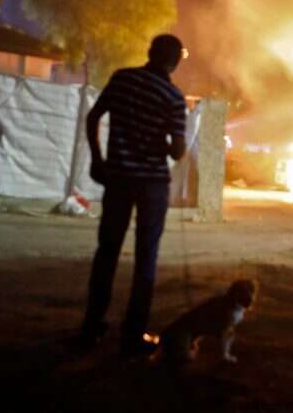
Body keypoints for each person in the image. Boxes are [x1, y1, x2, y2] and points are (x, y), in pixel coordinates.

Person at [77, 33, 188, 357]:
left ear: (149, 53)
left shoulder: (122, 79)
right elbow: (179, 150)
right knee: (146, 259)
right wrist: (165, 144)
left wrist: (98, 160)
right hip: (152, 184)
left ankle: (91, 328)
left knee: (107, 252)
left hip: (118, 179)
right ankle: (133, 335)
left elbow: (93, 116)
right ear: (175, 61)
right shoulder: (173, 97)